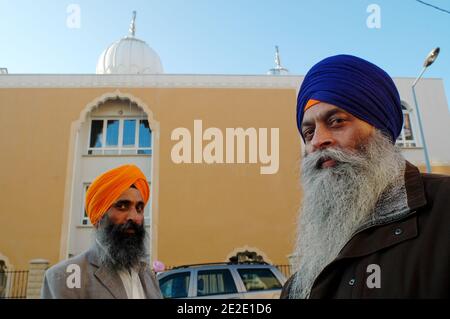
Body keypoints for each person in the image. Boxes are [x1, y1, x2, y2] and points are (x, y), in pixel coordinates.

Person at [281, 55, 450, 299]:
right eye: (308, 132)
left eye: (336, 121)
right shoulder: (303, 280)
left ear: (380, 129)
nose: (318, 141)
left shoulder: (443, 212)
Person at [41, 164, 162, 299]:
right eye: (122, 206)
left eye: (139, 208)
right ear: (99, 218)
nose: (134, 217)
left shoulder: (148, 276)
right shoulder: (62, 278)